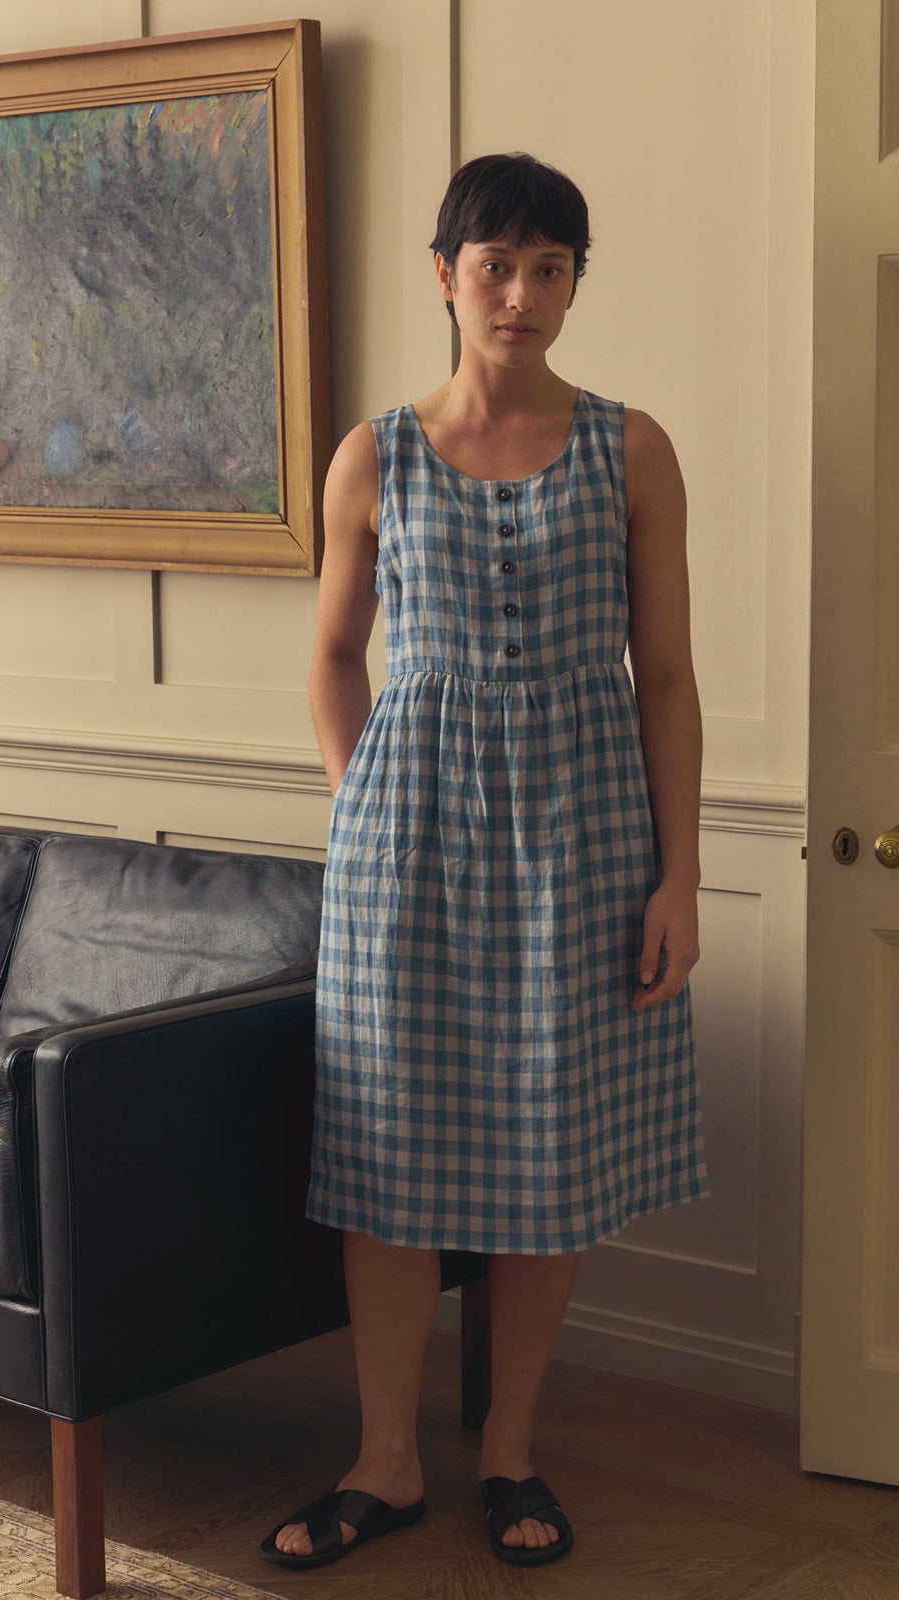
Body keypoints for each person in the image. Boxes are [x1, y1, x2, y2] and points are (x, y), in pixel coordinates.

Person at [260, 151, 711, 1572]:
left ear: (577, 279)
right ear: (444, 272)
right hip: (411, 850)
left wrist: (680, 873)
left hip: (587, 844)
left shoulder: (630, 447)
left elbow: (670, 680)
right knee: (385, 1156)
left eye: (551, 265)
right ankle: (386, 1459)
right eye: (495, 263)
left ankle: (509, 1446)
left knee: (551, 1152)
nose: (522, 292)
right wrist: (365, 812)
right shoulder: (372, 455)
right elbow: (334, 658)